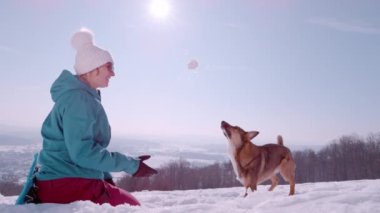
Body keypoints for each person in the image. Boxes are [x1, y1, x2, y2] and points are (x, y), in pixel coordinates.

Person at [33, 28, 157, 206]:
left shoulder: (80, 97)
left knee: (128, 203)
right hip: (67, 183)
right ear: (93, 68)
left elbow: (84, 148)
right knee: (132, 207)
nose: (113, 73)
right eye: (109, 66)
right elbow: (83, 153)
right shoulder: (79, 100)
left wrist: (106, 177)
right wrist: (131, 165)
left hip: (67, 179)